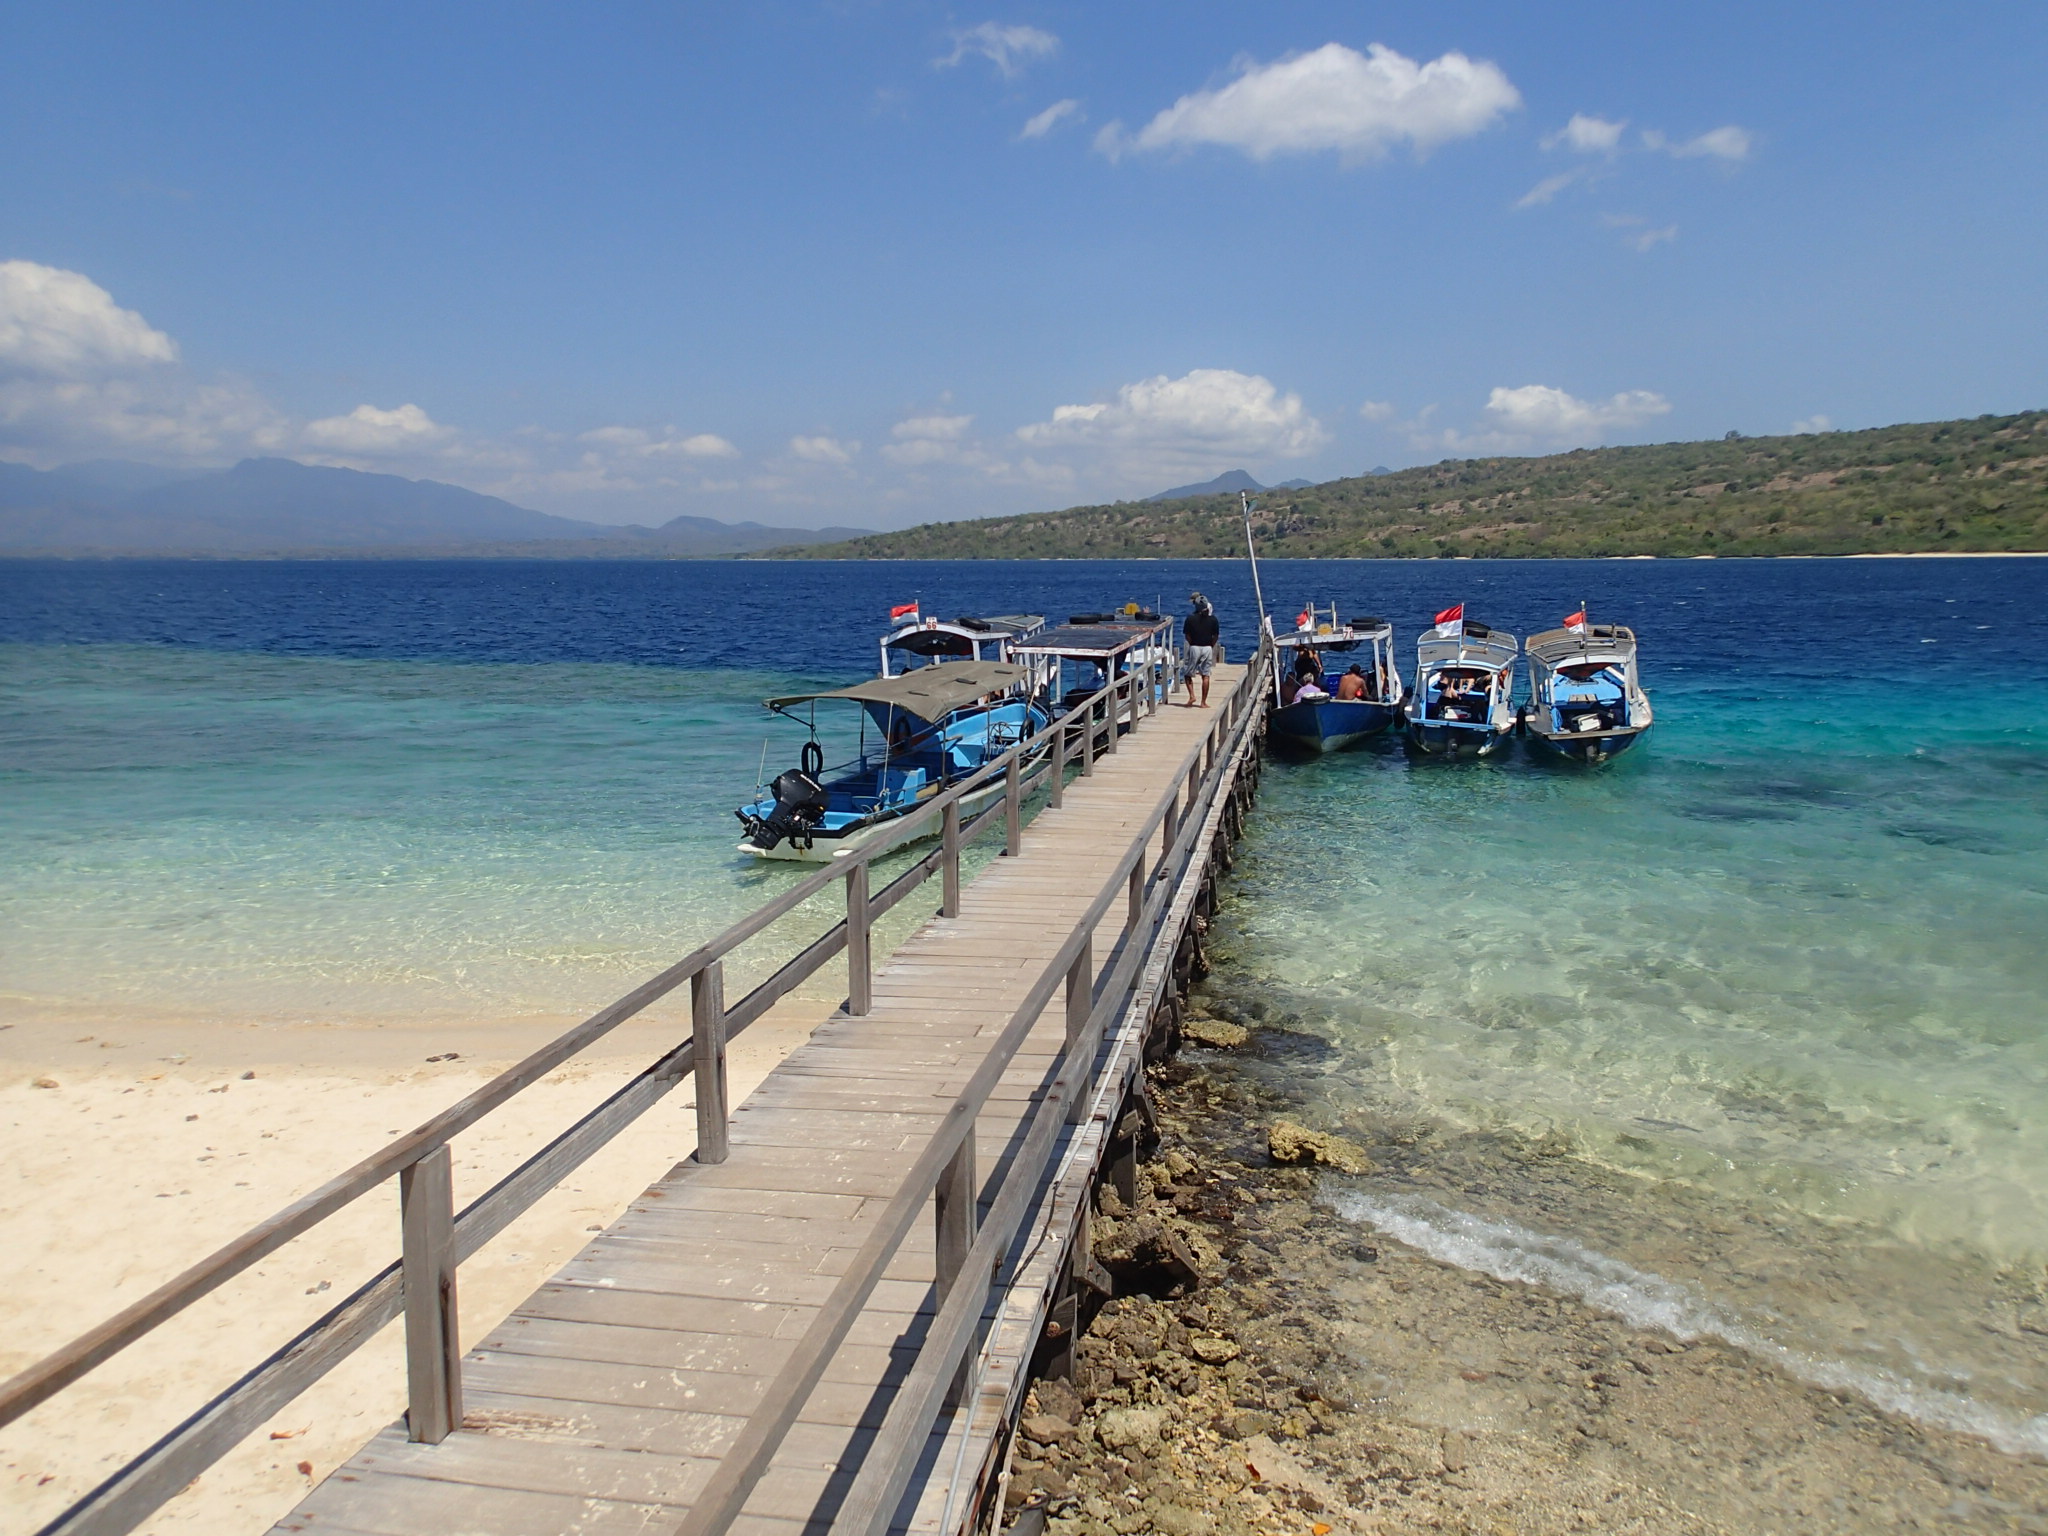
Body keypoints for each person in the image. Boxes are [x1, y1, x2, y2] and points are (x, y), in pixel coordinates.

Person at [1181, 592, 1219, 708]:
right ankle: (1203, 702)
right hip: (1207, 647)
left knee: (1188, 673)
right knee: (1206, 675)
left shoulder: (1190, 619)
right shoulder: (1213, 619)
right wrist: (1211, 645)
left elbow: (1187, 635)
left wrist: (1192, 642)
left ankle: (1192, 695)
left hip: (1194, 647)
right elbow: (1216, 635)